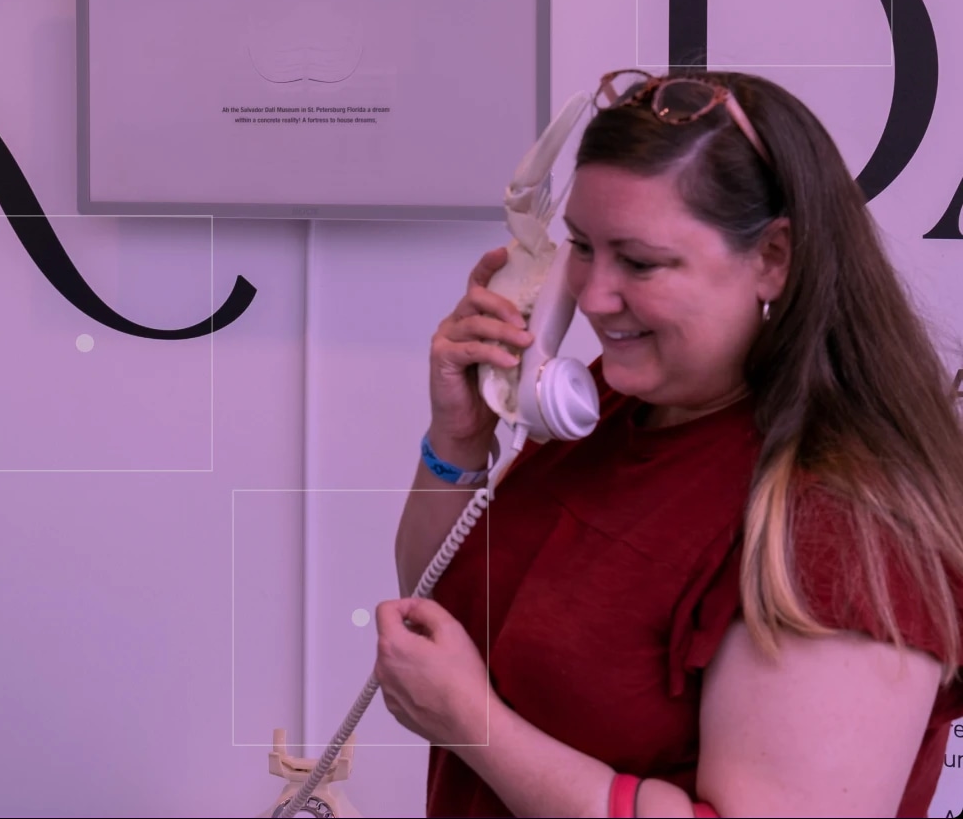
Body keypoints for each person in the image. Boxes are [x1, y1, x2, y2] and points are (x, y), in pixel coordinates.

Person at [373, 69, 963, 818]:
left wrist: (475, 727)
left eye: (641, 261)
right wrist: (457, 437)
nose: (590, 296)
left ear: (773, 257)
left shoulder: (845, 521)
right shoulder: (605, 406)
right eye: (581, 247)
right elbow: (442, 607)